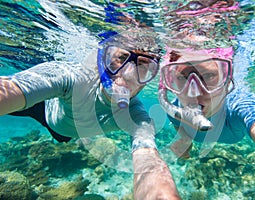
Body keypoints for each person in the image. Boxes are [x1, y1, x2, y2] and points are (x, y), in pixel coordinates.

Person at [0, 26, 182, 199]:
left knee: (62, 137)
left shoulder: (137, 116)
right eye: (121, 58)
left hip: (64, 133)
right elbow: (11, 89)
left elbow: (148, 161)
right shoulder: (70, 77)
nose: (128, 74)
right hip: (42, 109)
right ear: (102, 59)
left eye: (143, 66)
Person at [158, 0, 255, 199]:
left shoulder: (242, 105)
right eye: (182, 77)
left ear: (228, 81)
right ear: (167, 81)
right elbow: (178, 126)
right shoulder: (173, 108)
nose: (193, 92)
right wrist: (184, 142)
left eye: (208, 76)